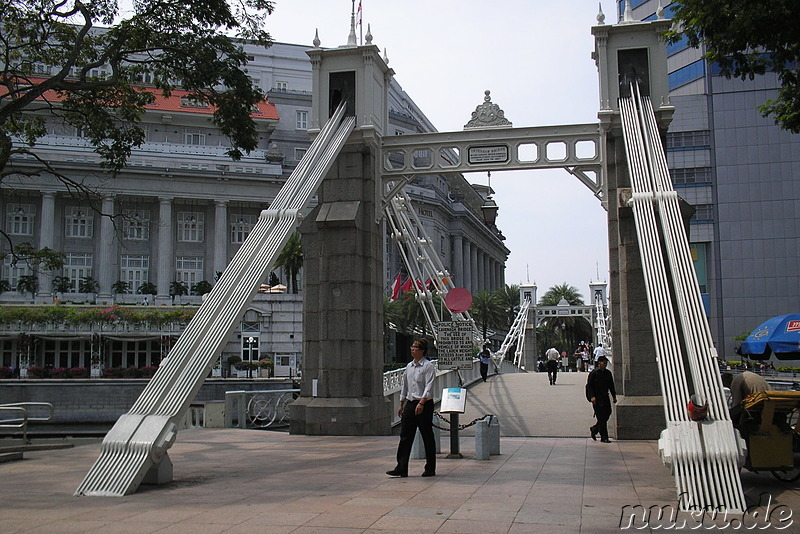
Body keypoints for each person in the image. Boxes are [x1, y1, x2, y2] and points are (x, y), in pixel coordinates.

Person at [387, 338, 436, 478]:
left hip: (424, 404)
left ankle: (430, 468)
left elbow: (429, 386)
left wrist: (422, 402)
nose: (412, 349)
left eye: (415, 347)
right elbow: (405, 386)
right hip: (410, 402)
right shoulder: (409, 366)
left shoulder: (428, 366)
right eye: (412, 347)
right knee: (405, 436)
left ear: (422, 350)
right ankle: (401, 467)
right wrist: (401, 403)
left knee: (427, 435)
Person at [587, 355, 617, 443]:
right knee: (601, 418)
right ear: (599, 363)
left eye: (606, 363)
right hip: (597, 398)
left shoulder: (608, 373)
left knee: (607, 413)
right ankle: (604, 437)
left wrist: (614, 396)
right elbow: (589, 386)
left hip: (605, 397)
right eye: (604, 363)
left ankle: (595, 429)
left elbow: (611, 385)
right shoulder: (594, 373)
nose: (605, 364)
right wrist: (592, 396)